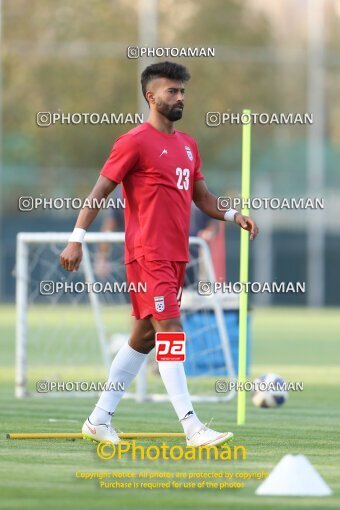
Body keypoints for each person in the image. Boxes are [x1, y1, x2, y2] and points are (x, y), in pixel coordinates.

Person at [60, 61, 259, 447]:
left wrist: (234, 214)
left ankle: (98, 419)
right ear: (151, 96)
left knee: (144, 337)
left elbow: (201, 198)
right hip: (147, 255)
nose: (180, 97)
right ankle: (192, 426)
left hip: (175, 255)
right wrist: (76, 238)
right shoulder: (133, 141)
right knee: (171, 329)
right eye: (172, 91)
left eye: (183, 91)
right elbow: (98, 193)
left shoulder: (188, 144)